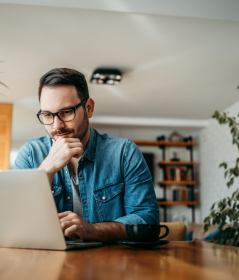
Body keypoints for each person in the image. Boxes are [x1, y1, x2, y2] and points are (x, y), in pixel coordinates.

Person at [14, 68, 159, 242]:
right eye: (47, 115)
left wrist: (93, 230)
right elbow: (16, 224)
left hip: (111, 263)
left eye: (66, 112)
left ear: (89, 108)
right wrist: (46, 170)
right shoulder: (30, 154)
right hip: (48, 264)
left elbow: (147, 220)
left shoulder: (124, 153)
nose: (56, 126)